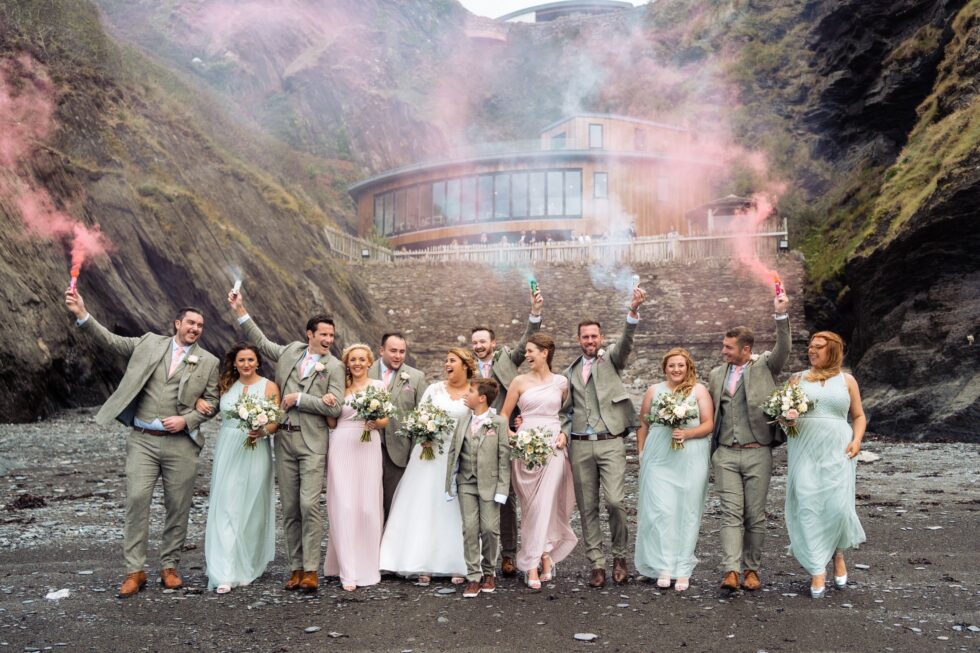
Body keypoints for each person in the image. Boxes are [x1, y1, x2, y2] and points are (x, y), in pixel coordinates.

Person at [65, 289, 219, 598]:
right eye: (190, 323)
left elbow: (213, 402)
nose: (195, 329)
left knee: (178, 506)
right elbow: (111, 341)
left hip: (181, 445)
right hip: (143, 440)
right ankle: (134, 570)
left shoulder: (210, 362)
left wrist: (187, 419)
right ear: (177, 323)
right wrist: (82, 313)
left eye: (200, 326)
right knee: (137, 500)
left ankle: (169, 567)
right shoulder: (148, 342)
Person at [229, 290, 344, 593]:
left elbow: (335, 407)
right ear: (310, 334)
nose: (328, 339)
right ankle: (296, 568)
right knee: (291, 507)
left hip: (313, 444)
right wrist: (240, 310)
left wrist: (300, 398)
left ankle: (311, 570)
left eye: (331, 335)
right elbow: (262, 342)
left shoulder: (334, 366)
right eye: (323, 334)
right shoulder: (292, 351)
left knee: (309, 505)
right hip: (283, 440)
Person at [560, 286, 648, 588]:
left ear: (601, 337)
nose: (590, 341)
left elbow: (625, 344)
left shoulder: (610, 359)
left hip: (610, 442)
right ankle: (596, 563)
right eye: (585, 337)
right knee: (587, 507)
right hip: (580, 445)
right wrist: (562, 434)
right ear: (579, 340)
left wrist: (633, 311)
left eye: (594, 336)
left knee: (614, 501)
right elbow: (564, 411)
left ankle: (620, 557)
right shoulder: (569, 372)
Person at [708, 290, 791, 592]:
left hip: (758, 452)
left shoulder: (765, 365)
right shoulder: (716, 374)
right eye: (723, 346)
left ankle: (751, 569)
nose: (723, 351)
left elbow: (784, 347)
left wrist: (781, 314)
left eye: (728, 347)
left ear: (746, 349)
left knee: (754, 516)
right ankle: (731, 570)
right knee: (730, 513)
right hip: (726, 454)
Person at [379, 347, 473, 584]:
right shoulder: (434, 389)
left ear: (465, 365)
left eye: (452, 361)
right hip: (428, 453)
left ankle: (456, 562)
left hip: (458, 456)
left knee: (453, 508)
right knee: (424, 504)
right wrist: (424, 432)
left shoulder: (474, 392)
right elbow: (419, 416)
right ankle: (422, 561)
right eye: (446, 360)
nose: (447, 364)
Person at [785, 331, 867, 598]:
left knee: (838, 507)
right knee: (808, 505)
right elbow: (784, 416)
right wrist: (787, 419)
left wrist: (857, 440)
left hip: (838, 449)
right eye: (810, 346)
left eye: (818, 347)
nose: (812, 350)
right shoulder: (797, 379)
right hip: (804, 448)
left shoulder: (847, 380)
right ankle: (817, 568)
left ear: (832, 350)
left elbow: (858, 416)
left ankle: (838, 553)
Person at [471, 289, 543, 575]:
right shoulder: (467, 367)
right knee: (472, 493)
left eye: (483, 341)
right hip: (473, 439)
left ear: (493, 343)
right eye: (475, 342)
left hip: (503, 437)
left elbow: (526, 342)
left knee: (506, 495)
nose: (479, 346)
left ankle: (509, 554)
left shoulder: (507, 360)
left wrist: (534, 313)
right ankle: (476, 555)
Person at [634, 348, 714, 591]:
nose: (676, 369)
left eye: (680, 365)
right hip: (659, 456)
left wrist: (688, 433)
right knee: (661, 511)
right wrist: (641, 452)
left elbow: (709, 424)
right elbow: (643, 423)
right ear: (665, 368)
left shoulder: (699, 390)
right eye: (671, 366)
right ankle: (664, 566)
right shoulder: (653, 391)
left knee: (687, 511)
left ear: (688, 367)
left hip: (690, 456)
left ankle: (682, 569)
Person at [502, 333, 577, 589]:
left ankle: (534, 562)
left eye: (531, 351)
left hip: (553, 447)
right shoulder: (519, 381)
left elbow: (569, 414)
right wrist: (513, 436)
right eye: (526, 351)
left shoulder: (561, 382)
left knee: (547, 503)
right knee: (532, 507)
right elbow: (504, 415)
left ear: (545, 352)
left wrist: (565, 433)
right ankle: (543, 555)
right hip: (526, 449)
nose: (526, 355)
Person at [205, 342, 279, 594]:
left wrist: (262, 430)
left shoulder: (269, 386)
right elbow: (210, 404)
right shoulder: (226, 385)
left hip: (256, 449)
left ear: (258, 362)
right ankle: (225, 571)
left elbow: (275, 422)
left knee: (252, 507)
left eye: (250, 360)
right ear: (234, 363)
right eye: (241, 360)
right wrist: (199, 403)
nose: (246, 364)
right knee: (227, 506)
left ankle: (248, 564)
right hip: (229, 447)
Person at [324, 344, 387, 591]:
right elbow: (332, 422)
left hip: (368, 445)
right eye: (353, 360)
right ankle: (347, 571)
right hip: (342, 444)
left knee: (368, 507)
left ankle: (368, 566)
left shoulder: (378, 386)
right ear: (347, 363)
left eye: (362, 359)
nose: (358, 363)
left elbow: (385, 419)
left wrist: (374, 423)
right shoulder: (339, 387)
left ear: (370, 362)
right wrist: (328, 404)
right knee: (345, 506)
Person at [444, 378, 511, 598]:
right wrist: (449, 483)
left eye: (471, 391)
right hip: (466, 482)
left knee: (489, 529)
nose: (467, 394)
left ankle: (489, 572)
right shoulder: (463, 420)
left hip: (490, 484)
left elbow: (504, 458)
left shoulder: (498, 422)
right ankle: (473, 576)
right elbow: (453, 452)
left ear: (482, 398)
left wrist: (502, 489)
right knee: (470, 529)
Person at [368, 333, 428, 521]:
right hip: (365, 448)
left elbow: (422, 417)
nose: (398, 356)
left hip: (399, 452)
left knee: (394, 506)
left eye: (402, 352)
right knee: (367, 504)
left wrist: (414, 454)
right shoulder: (364, 371)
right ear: (381, 350)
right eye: (393, 351)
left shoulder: (416, 377)